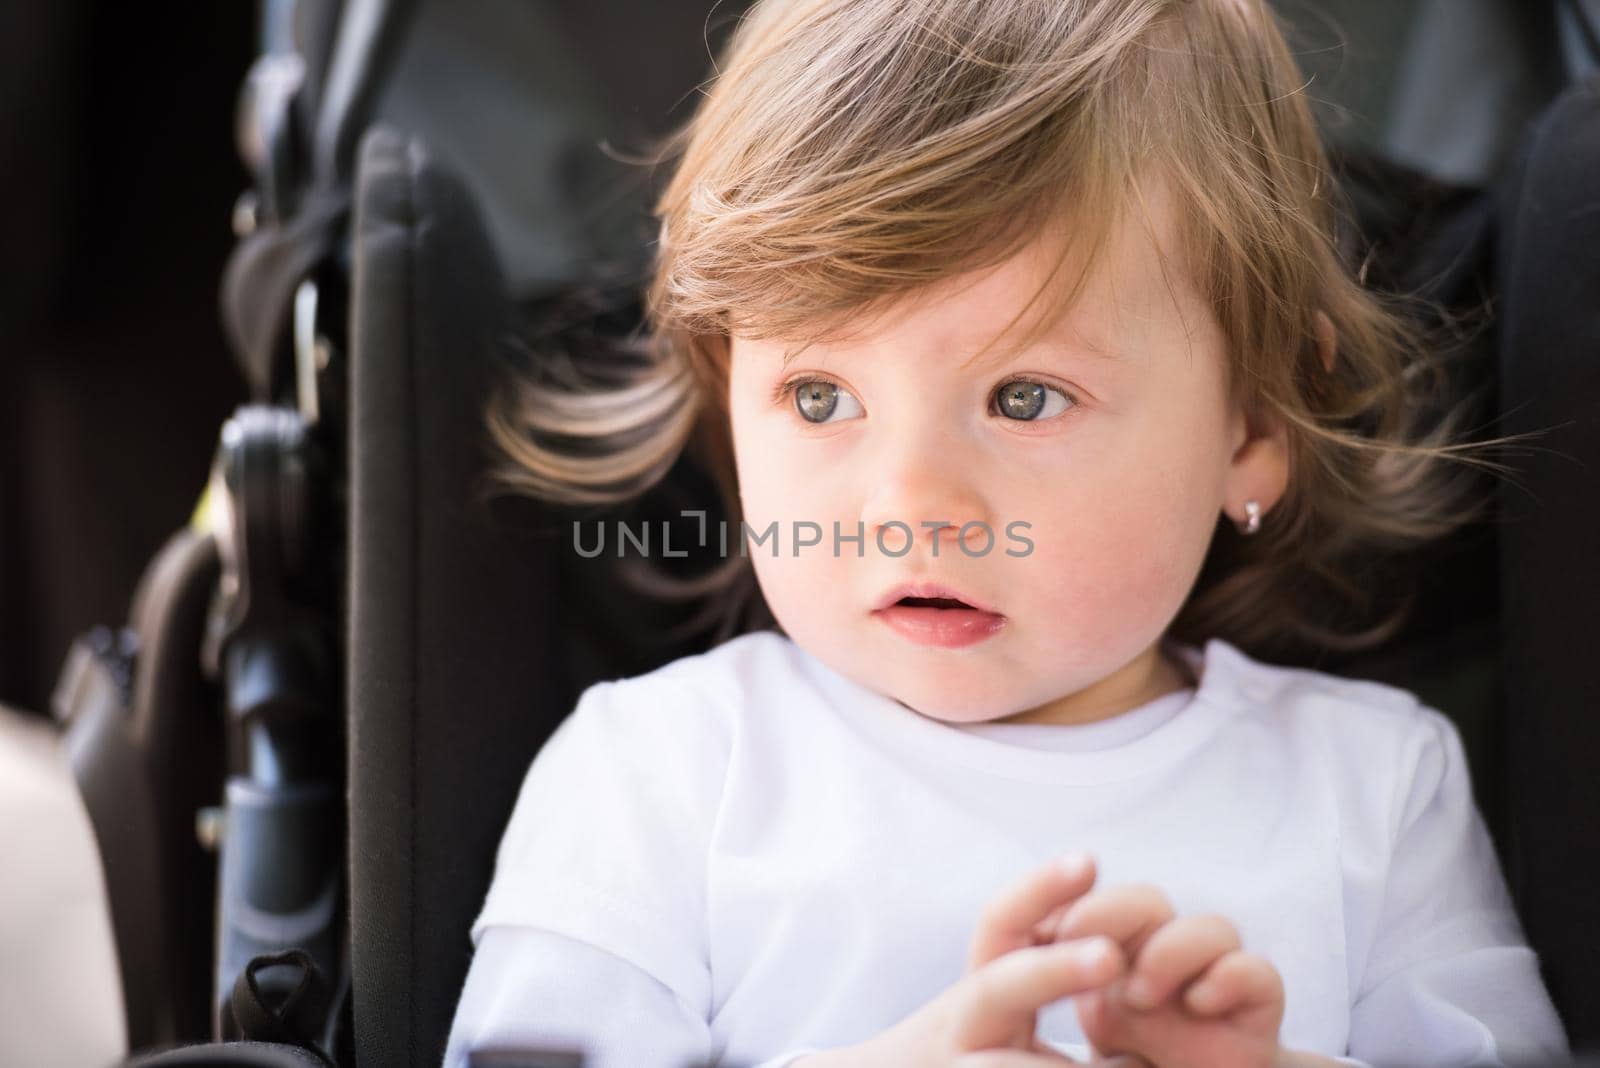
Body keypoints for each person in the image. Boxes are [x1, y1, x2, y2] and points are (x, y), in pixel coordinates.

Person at [444, 0, 1570, 1064]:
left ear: (1253, 426)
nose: (910, 502)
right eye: (822, 398)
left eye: (1024, 399)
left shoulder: (1371, 786)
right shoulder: (661, 775)